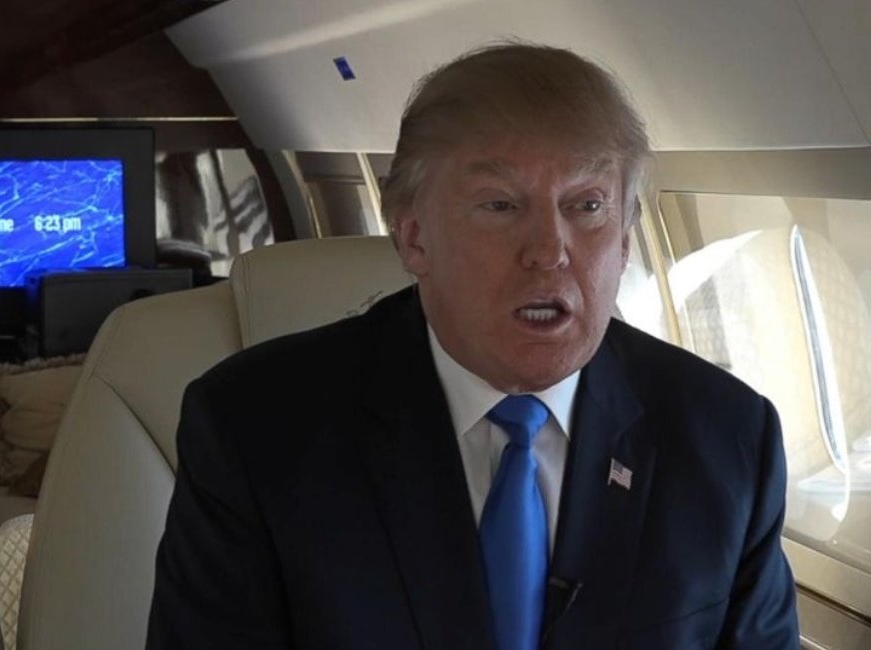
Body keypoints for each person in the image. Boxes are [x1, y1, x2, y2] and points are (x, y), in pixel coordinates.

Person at [146, 42, 798, 650]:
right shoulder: (255, 431)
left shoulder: (728, 439)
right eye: (500, 205)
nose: (549, 252)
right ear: (413, 238)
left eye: (587, 206)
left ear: (626, 240)